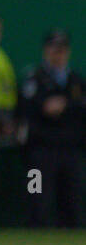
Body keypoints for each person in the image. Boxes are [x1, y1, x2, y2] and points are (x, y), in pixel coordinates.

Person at [18, 30, 85, 228]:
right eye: (54, 50)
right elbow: (33, 108)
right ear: (46, 51)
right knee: (36, 199)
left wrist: (64, 105)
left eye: (62, 50)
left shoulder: (76, 80)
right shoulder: (34, 78)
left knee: (71, 202)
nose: (58, 55)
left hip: (70, 151)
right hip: (39, 152)